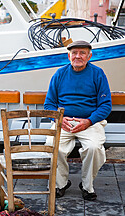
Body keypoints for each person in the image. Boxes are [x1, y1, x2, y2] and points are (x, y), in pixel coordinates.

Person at [44, 40, 112, 201]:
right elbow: (49, 104)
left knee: (94, 148)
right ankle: (60, 184)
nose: (78, 56)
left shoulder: (98, 73)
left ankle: (87, 186)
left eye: (82, 53)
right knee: (53, 147)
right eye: (74, 53)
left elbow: (105, 105)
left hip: (89, 123)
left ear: (89, 56)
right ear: (69, 56)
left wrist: (88, 121)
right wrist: (59, 119)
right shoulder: (60, 74)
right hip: (63, 123)